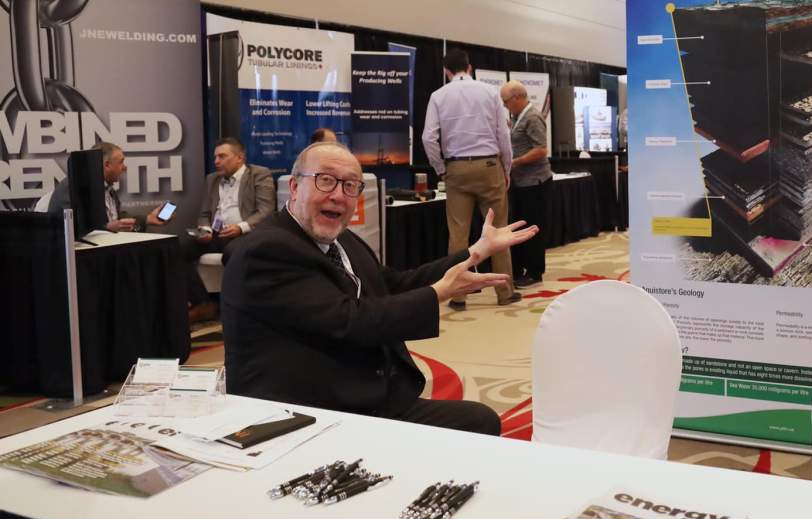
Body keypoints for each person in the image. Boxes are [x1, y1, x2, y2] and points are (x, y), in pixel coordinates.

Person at [221, 141, 536, 435]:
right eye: (326, 181)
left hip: (363, 393)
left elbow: (393, 284)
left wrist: (475, 252)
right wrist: (439, 292)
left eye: (350, 186)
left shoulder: (342, 239)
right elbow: (349, 320)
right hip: (309, 413)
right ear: (294, 186)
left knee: (479, 422)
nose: (338, 195)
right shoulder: (265, 251)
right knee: (476, 425)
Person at [421, 49, 519, 310]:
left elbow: (428, 138)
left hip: (456, 169)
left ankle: (458, 295)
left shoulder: (438, 96)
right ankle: (505, 291)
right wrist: (505, 169)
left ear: (446, 71)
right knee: (497, 231)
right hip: (489, 166)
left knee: (458, 235)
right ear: (470, 67)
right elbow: (503, 137)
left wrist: (441, 168)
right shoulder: (489, 92)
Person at [182, 138, 275, 321]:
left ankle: (240, 307)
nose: (216, 161)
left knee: (233, 252)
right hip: (217, 234)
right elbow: (204, 213)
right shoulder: (212, 179)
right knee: (177, 248)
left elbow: (266, 211)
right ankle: (203, 303)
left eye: (222, 156)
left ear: (239, 157)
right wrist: (206, 229)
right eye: (215, 157)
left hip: (246, 233)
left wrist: (240, 228)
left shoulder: (258, 174)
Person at [47, 141, 165, 231]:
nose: (125, 168)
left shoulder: (108, 188)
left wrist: (148, 219)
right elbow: (67, 229)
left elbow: (116, 218)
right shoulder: (73, 188)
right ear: (107, 165)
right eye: (121, 162)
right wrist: (106, 229)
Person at [501, 80, 551, 288]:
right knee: (521, 227)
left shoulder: (532, 117)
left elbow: (541, 150)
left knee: (533, 228)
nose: (505, 105)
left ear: (518, 98)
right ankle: (522, 267)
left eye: (506, 101)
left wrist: (514, 162)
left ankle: (534, 271)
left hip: (535, 182)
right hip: (522, 182)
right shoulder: (516, 117)